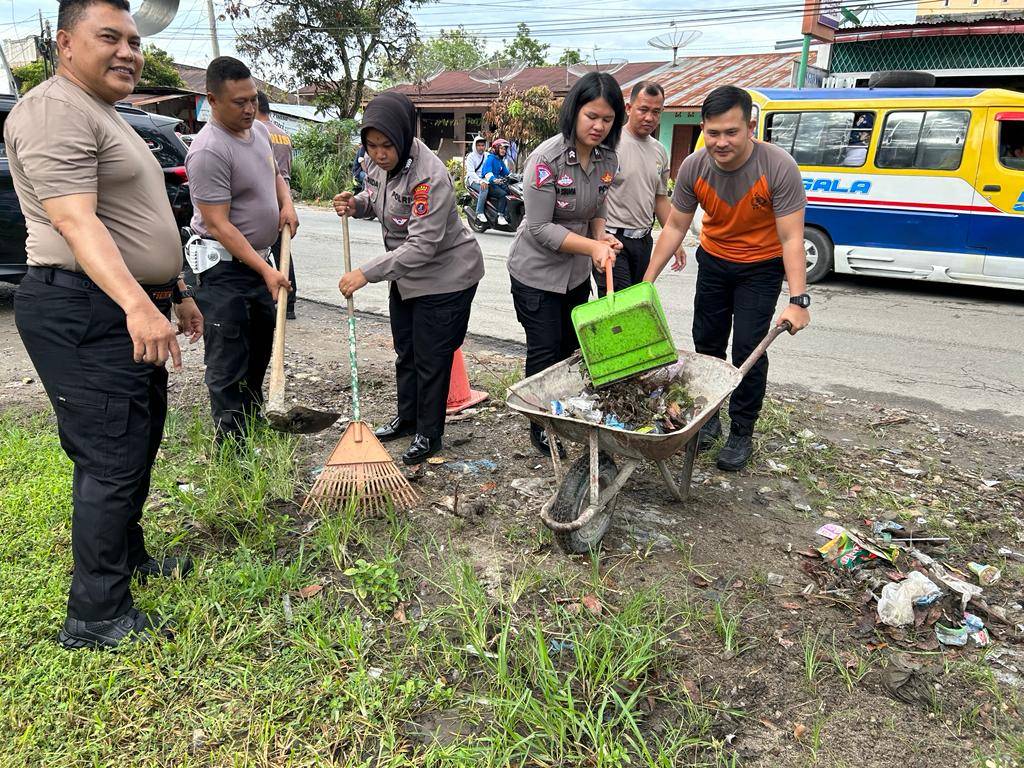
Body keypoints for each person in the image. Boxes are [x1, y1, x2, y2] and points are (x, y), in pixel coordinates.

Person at [4, 0, 203, 649]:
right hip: (85, 306)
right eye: (108, 37)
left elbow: (131, 217)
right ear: (64, 43)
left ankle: (129, 559)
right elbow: (77, 221)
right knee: (111, 457)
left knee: (137, 443)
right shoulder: (55, 109)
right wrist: (138, 305)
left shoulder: (104, 114)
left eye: (133, 40)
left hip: (123, 302)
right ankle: (96, 616)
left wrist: (172, 292)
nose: (128, 51)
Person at [643, 85, 810, 472]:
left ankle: (742, 429)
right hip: (715, 262)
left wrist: (799, 300)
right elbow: (674, 227)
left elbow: (791, 237)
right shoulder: (694, 166)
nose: (721, 142)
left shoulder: (778, 166)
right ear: (703, 127)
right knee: (707, 344)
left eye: (731, 132)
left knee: (749, 349)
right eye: (713, 132)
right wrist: (648, 280)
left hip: (761, 267)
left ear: (750, 126)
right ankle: (710, 417)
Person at [332, 92, 484, 465]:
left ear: (402, 136)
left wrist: (366, 273)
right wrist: (358, 204)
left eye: (386, 146)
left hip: (446, 276)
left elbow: (421, 247)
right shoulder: (378, 162)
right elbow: (381, 199)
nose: (379, 154)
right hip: (406, 277)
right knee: (407, 351)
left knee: (431, 358)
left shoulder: (428, 177)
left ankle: (429, 435)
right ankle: (408, 418)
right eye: (371, 145)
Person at [507, 71, 624, 457]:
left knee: (571, 348)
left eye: (607, 119)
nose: (599, 126)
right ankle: (539, 424)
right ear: (574, 112)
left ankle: (564, 413)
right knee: (543, 351)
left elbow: (597, 205)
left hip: (574, 274)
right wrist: (592, 246)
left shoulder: (608, 158)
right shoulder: (546, 159)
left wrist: (602, 235)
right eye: (592, 116)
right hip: (536, 273)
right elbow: (540, 227)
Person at [185, 57, 298, 443]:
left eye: (252, 99)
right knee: (228, 361)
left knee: (259, 349)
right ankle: (231, 449)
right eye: (239, 102)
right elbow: (218, 223)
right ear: (212, 101)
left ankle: (251, 428)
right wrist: (266, 271)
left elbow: (276, 175)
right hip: (222, 272)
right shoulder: (209, 151)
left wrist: (287, 203)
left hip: (256, 263)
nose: (250, 109)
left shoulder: (260, 134)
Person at [598, 80, 685, 296]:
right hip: (612, 239)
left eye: (656, 112)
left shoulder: (659, 151)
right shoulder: (608, 144)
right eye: (643, 109)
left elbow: (660, 199)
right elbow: (594, 194)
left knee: (636, 303)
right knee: (619, 307)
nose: (649, 118)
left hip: (643, 242)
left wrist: (674, 241)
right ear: (629, 108)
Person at [256, 90, 299, 320]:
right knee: (283, 250)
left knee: (266, 249)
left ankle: (282, 299)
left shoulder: (258, 133)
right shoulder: (282, 134)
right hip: (286, 197)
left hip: (269, 194)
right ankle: (289, 302)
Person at [478, 139, 511, 226]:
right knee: (503, 194)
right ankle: (500, 216)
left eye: (504, 149)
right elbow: (487, 172)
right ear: (496, 149)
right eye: (501, 148)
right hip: (489, 184)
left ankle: (508, 214)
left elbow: (506, 173)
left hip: (498, 183)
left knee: (511, 192)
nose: (503, 151)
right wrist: (493, 179)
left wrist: (516, 176)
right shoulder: (491, 159)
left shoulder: (500, 160)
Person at [464, 134, 487, 206]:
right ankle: (479, 212)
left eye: (482, 145)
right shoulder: (471, 156)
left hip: (485, 179)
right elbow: (471, 172)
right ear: (475, 146)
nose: (481, 147)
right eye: (479, 145)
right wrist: (480, 181)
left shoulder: (487, 155)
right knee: (484, 189)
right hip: (473, 180)